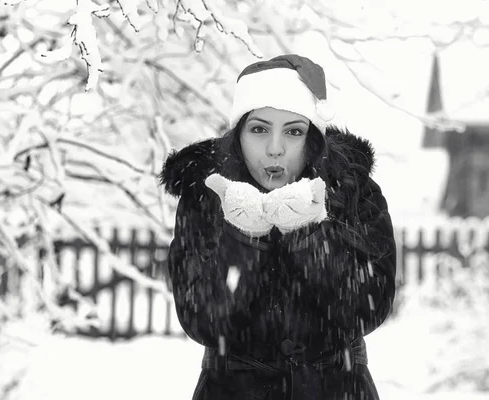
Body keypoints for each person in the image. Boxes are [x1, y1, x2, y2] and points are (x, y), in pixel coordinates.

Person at [158, 54, 396, 400]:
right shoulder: (207, 193)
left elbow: (367, 310)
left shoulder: (351, 191)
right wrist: (243, 240)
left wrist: (308, 236)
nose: (275, 149)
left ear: (312, 138)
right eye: (259, 129)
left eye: (294, 131)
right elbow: (203, 320)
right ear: (238, 133)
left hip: (337, 389)